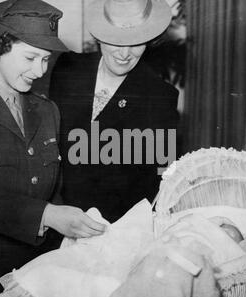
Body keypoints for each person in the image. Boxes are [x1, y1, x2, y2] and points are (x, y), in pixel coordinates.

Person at [0, 0, 106, 297]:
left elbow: (55, 190)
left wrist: (70, 234)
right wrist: (48, 215)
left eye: (45, 59)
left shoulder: (47, 110)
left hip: (46, 266)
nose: (40, 71)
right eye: (30, 57)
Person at [49, 0, 179, 223]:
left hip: (114, 228)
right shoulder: (68, 68)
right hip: (57, 218)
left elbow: (160, 178)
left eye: (136, 43)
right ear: (99, 35)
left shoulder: (160, 96)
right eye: (116, 41)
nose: (125, 54)